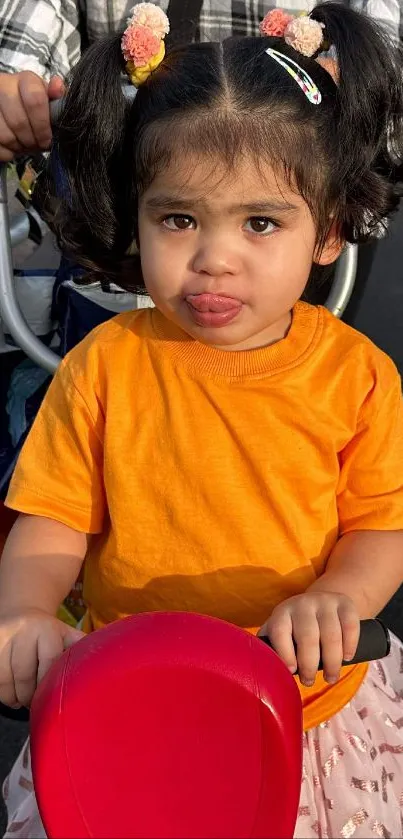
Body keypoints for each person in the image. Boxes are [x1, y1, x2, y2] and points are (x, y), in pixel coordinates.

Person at [1, 2, 403, 836]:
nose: (214, 256)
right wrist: (26, 611)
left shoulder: (356, 376)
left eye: (260, 222)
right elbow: (50, 521)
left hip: (306, 706)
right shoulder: (105, 365)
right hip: (125, 697)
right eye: (178, 219)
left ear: (328, 228)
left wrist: (339, 595)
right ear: (138, 212)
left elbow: (380, 526)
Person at [0, 0, 401, 162]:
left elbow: (386, 55)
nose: (216, 262)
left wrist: (364, 88)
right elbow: (37, 15)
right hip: (120, 225)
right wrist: (15, 88)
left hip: (304, 211)